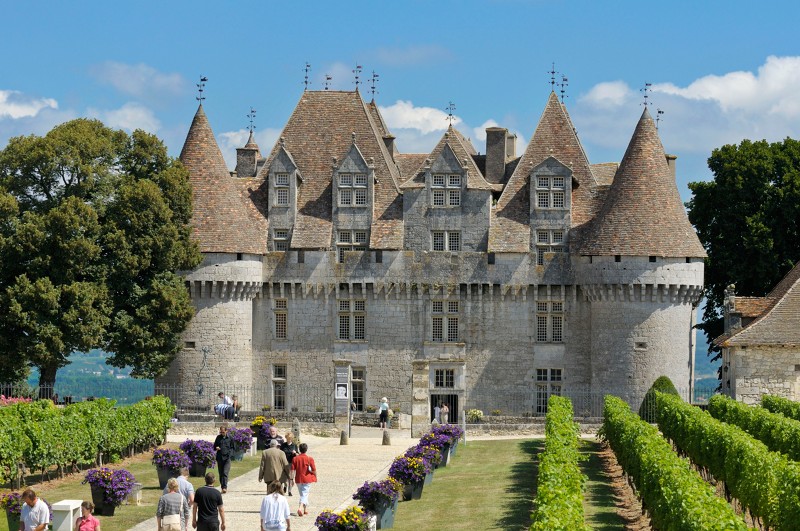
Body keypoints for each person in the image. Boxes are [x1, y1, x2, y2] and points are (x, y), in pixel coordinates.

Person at [291, 443, 316, 517]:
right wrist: (315, 476)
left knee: (303, 494)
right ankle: (300, 508)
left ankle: (305, 509)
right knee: (304, 494)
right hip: (307, 479)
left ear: (299, 449)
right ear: (306, 449)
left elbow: (292, 470)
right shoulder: (309, 458)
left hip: (298, 479)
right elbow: (314, 469)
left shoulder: (295, 458)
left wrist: (291, 479)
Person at [213, 425, 233, 493]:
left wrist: (230, 455)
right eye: (221, 432)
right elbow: (214, 446)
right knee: (221, 473)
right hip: (220, 458)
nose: (222, 433)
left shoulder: (230, 438)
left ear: (226, 431)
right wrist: (216, 448)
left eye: (223, 432)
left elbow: (233, 447)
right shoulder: (218, 437)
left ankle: (225, 487)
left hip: (227, 458)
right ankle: (222, 487)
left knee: (225, 473)